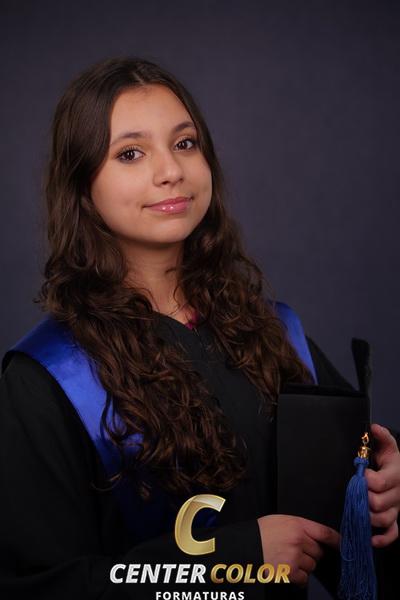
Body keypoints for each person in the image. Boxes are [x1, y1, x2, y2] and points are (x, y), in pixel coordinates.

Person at [0, 56, 399, 600]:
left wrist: (381, 483)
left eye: (185, 143)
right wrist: (233, 560)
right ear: (81, 184)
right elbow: (40, 588)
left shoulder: (273, 332)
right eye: (131, 153)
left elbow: (349, 524)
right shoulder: (50, 377)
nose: (171, 170)